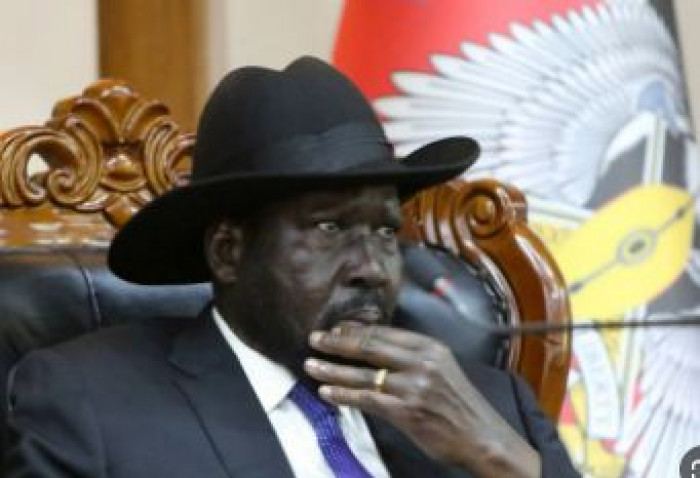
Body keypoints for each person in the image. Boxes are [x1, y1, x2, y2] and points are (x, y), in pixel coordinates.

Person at [4, 57, 578, 478]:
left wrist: (499, 454)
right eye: (330, 229)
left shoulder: (488, 405)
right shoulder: (92, 404)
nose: (372, 269)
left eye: (385, 231)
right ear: (228, 251)